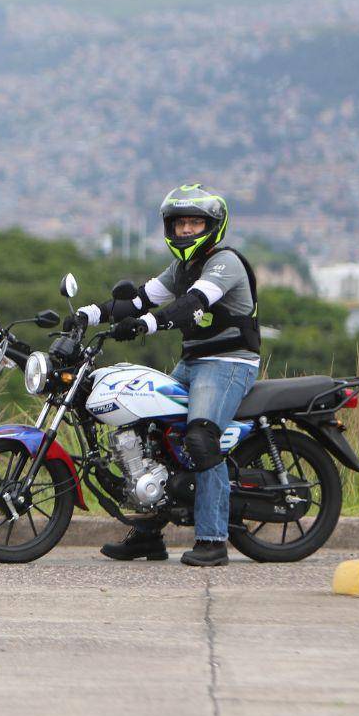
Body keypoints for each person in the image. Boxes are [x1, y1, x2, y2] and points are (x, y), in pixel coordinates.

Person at [68, 184, 259, 567]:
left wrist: (144, 326)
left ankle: (213, 539)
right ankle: (149, 536)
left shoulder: (225, 263)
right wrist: (88, 314)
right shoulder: (181, 267)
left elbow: (192, 304)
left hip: (229, 364)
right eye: (180, 223)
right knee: (152, 435)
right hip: (193, 363)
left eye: (194, 222)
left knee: (202, 439)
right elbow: (140, 298)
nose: (186, 230)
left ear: (212, 225)